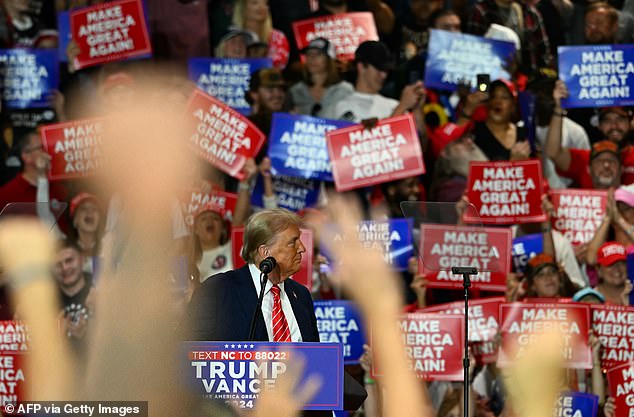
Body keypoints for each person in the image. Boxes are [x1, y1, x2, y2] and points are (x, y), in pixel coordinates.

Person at [184, 208, 366, 415]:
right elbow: (187, 358)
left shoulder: (301, 296)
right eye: (293, 242)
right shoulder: (219, 289)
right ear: (265, 252)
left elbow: (312, 359)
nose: (302, 249)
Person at [458, 79, 530, 161]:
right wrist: (467, 111)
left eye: (504, 97)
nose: (498, 101)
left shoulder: (523, 134)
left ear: (513, 105)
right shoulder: (474, 132)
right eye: (493, 96)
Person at [289, 37, 354, 119]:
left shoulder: (344, 90)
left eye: (318, 54)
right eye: (309, 54)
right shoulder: (295, 91)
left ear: (329, 60)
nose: (312, 58)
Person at [232, 0, 289, 68]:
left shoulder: (278, 37)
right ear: (242, 8)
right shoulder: (231, 37)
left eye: (265, 3)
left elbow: (277, 67)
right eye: (255, 2)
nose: (261, 7)